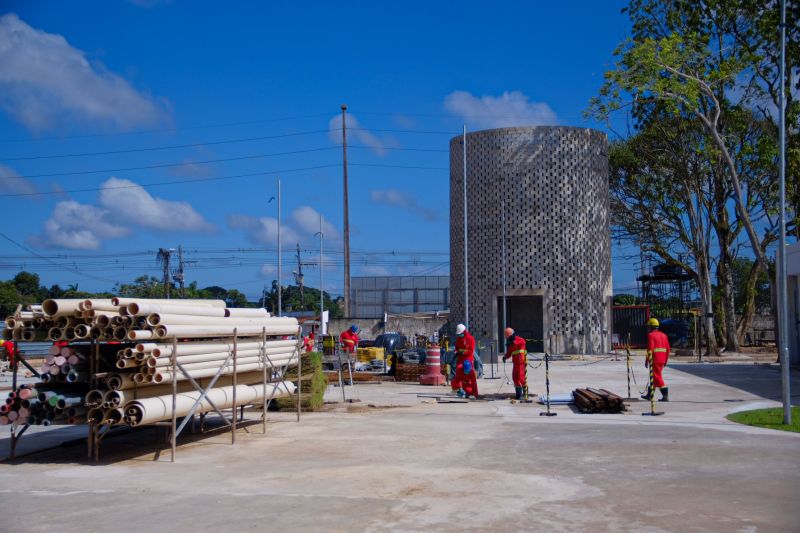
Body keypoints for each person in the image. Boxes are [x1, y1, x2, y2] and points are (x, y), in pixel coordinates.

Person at [642, 317, 670, 401]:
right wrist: (666, 360)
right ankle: (650, 395)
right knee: (653, 378)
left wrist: (647, 360)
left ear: (651, 326)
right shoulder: (664, 335)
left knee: (657, 378)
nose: (647, 328)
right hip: (662, 359)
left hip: (655, 360)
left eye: (648, 327)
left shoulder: (651, 335)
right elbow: (668, 349)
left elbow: (650, 349)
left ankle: (665, 396)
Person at [451, 323, 478, 399]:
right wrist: (456, 351)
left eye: (460, 334)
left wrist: (464, 352)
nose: (459, 335)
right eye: (458, 334)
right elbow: (456, 347)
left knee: (468, 376)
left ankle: (468, 392)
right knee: (458, 375)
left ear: (464, 332)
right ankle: (459, 389)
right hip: (460, 359)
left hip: (468, 360)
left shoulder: (470, 339)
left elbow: (471, 351)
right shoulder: (459, 339)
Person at [503, 327, 528, 400]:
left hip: (521, 362)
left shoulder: (519, 339)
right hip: (515, 363)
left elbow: (523, 342)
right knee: (515, 378)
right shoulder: (511, 344)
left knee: (521, 378)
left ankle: (525, 394)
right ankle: (518, 395)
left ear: (512, 335)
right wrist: (505, 357)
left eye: (509, 337)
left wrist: (514, 342)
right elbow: (509, 353)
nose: (508, 339)